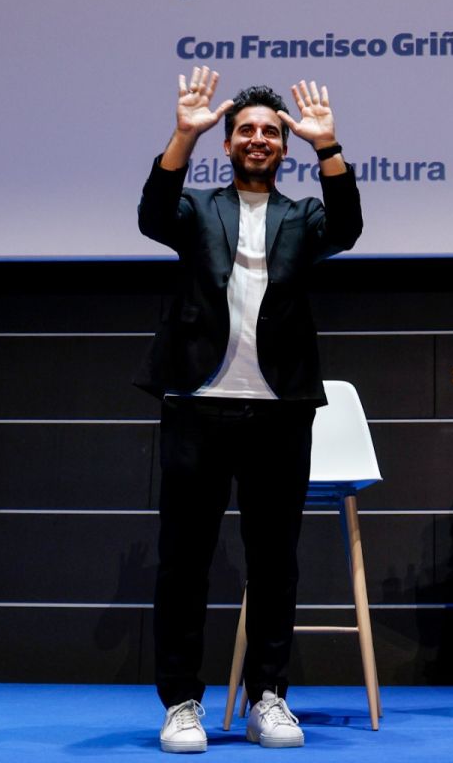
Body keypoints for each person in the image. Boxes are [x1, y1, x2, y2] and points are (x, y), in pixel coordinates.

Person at [135, 68, 362, 753]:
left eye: (269, 132)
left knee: (275, 562)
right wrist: (182, 132)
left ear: (283, 147)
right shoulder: (197, 208)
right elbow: (152, 216)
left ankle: (268, 697)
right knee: (184, 561)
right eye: (246, 131)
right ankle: (182, 703)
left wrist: (328, 146)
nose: (258, 139)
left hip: (279, 409)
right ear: (228, 143)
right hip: (197, 403)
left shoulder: (304, 216)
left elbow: (348, 227)